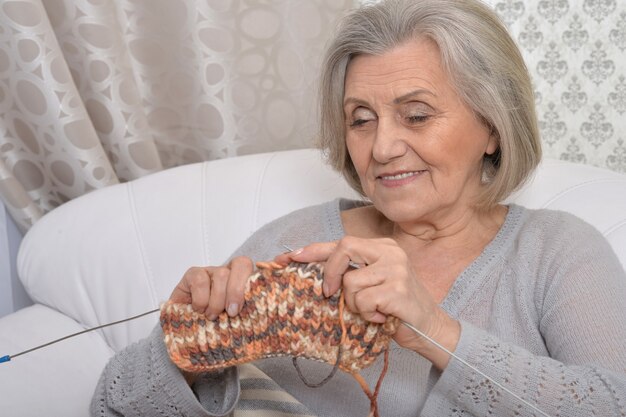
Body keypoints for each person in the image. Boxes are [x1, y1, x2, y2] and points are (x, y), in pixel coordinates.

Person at [91, 0, 626, 416]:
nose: (382, 146)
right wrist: (186, 341)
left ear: (492, 125)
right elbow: (111, 404)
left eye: (415, 115)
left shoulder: (558, 250)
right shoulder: (296, 244)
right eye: (360, 118)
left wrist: (434, 330)